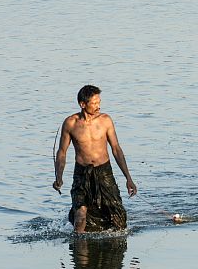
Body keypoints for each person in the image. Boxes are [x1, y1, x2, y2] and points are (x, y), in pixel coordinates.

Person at [53, 85, 137, 232]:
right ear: (82, 104)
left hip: (104, 171)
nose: (98, 106)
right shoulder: (70, 123)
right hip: (82, 173)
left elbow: (116, 149)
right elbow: (62, 152)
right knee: (80, 214)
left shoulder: (105, 121)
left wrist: (128, 178)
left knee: (117, 217)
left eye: (99, 102)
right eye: (94, 103)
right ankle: (79, 249)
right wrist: (58, 177)